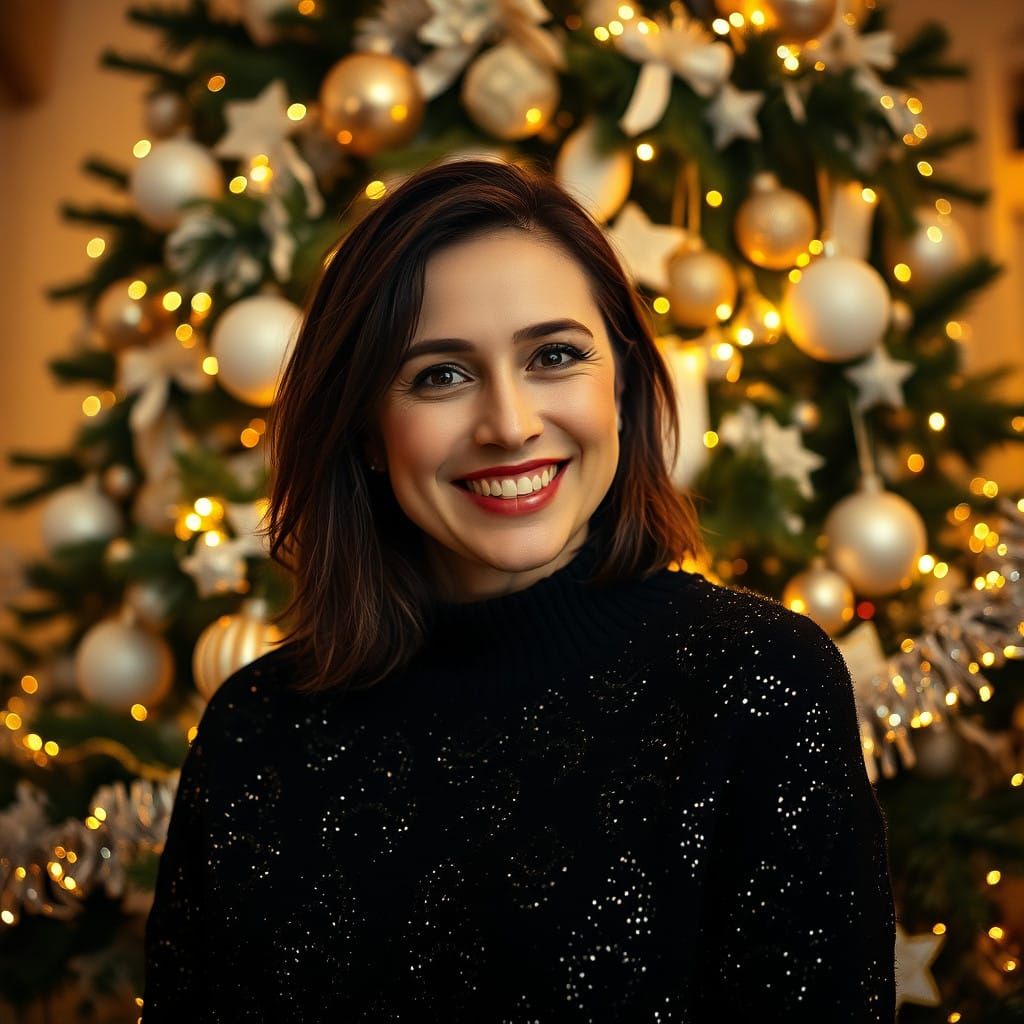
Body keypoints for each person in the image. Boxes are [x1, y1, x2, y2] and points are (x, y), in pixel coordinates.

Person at [142, 156, 896, 1022]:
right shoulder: (253, 732)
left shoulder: (762, 683)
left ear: (623, 381)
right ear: (366, 432)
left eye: (555, 355)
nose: (509, 424)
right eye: (440, 375)